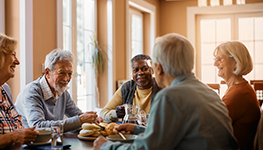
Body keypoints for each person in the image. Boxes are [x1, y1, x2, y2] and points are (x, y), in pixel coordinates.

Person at [93, 33, 238, 150]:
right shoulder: (210, 93)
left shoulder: (169, 97)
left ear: (159, 68)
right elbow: (175, 134)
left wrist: (106, 146)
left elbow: (147, 148)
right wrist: (136, 129)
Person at [15, 48, 102, 131]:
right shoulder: (32, 93)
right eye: (62, 73)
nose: (66, 79)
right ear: (48, 73)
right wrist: (80, 120)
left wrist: (93, 119)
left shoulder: (62, 91)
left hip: (51, 142)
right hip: (27, 144)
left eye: (69, 74)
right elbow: (38, 126)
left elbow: (77, 115)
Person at [213, 41, 260, 150]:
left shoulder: (239, 94)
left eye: (220, 59)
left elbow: (211, 126)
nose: (215, 64)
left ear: (236, 62)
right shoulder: (239, 88)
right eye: (215, 59)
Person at [99, 54, 161, 123]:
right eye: (136, 70)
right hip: (130, 132)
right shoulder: (127, 88)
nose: (140, 73)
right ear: (132, 74)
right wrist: (116, 113)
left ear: (152, 70)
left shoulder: (162, 86)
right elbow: (102, 114)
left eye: (145, 69)